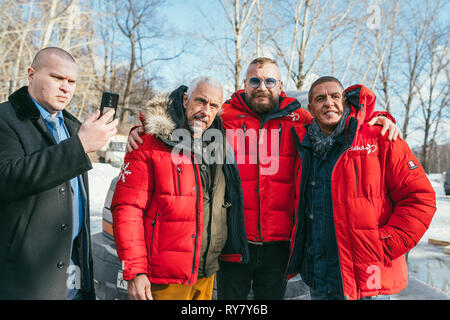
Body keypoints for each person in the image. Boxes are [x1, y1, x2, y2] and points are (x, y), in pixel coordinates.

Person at [126, 58, 401, 300]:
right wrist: (144, 130)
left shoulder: (301, 119)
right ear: (244, 83)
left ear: (280, 84)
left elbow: (338, 122)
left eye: (270, 80)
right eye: (255, 80)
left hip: (279, 247)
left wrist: (377, 118)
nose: (262, 86)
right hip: (234, 245)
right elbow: (181, 120)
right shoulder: (224, 116)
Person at [285, 76, 436, 300]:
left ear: (345, 103)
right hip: (319, 279)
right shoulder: (305, 149)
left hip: (367, 280)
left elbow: (420, 198)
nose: (328, 102)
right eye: (320, 98)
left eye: (335, 96)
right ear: (311, 109)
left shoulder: (380, 136)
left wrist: (384, 244)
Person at [110, 76, 248, 300]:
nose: (205, 111)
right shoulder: (149, 141)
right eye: (200, 101)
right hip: (163, 278)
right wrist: (135, 270)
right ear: (185, 99)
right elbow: (127, 208)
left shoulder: (218, 144)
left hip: (205, 274)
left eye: (213, 105)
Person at [0, 47, 118, 299]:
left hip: (74, 276)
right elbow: (7, 178)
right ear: (31, 75)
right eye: (57, 78)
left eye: (72, 81)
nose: (66, 87)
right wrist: (81, 146)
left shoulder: (74, 126)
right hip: (26, 281)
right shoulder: (5, 118)